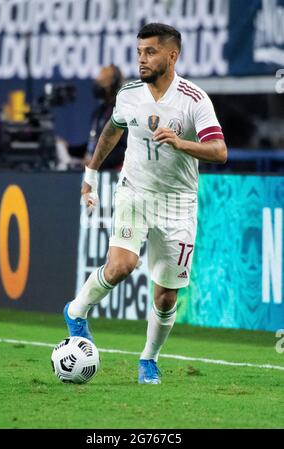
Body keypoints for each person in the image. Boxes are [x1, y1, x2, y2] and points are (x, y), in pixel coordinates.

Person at [64, 23, 227, 384]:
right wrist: (91, 173)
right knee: (122, 265)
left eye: (150, 52)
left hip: (178, 203)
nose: (142, 59)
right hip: (134, 192)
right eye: (139, 52)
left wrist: (182, 143)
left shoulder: (194, 100)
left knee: (167, 296)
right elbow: (113, 129)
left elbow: (220, 151)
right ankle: (76, 312)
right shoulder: (129, 94)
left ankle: (148, 359)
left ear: (172, 55)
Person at [84, 64, 127, 170]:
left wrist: (95, 162)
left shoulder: (122, 110)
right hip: (96, 172)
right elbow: (93, 142)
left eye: (102, 81)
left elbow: (123, 149)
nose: (98, 84)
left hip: (115, 174)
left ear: (113, 84)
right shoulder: (98, 112)